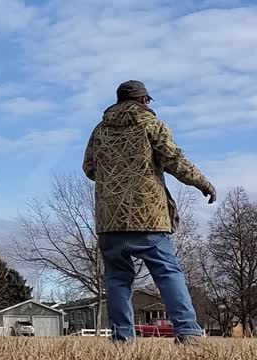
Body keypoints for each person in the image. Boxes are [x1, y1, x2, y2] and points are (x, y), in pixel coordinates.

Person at [82, 80, 216, 344]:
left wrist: (113, 180)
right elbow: (174, 160)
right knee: (167, 272)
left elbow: (89, 168)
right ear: (144, 101)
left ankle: (122, 339)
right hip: (149, 218)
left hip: (110, 221)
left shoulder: (99, 131)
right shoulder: (152, 125)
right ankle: (188, 333)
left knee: (117, 279)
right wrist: (203, 183)